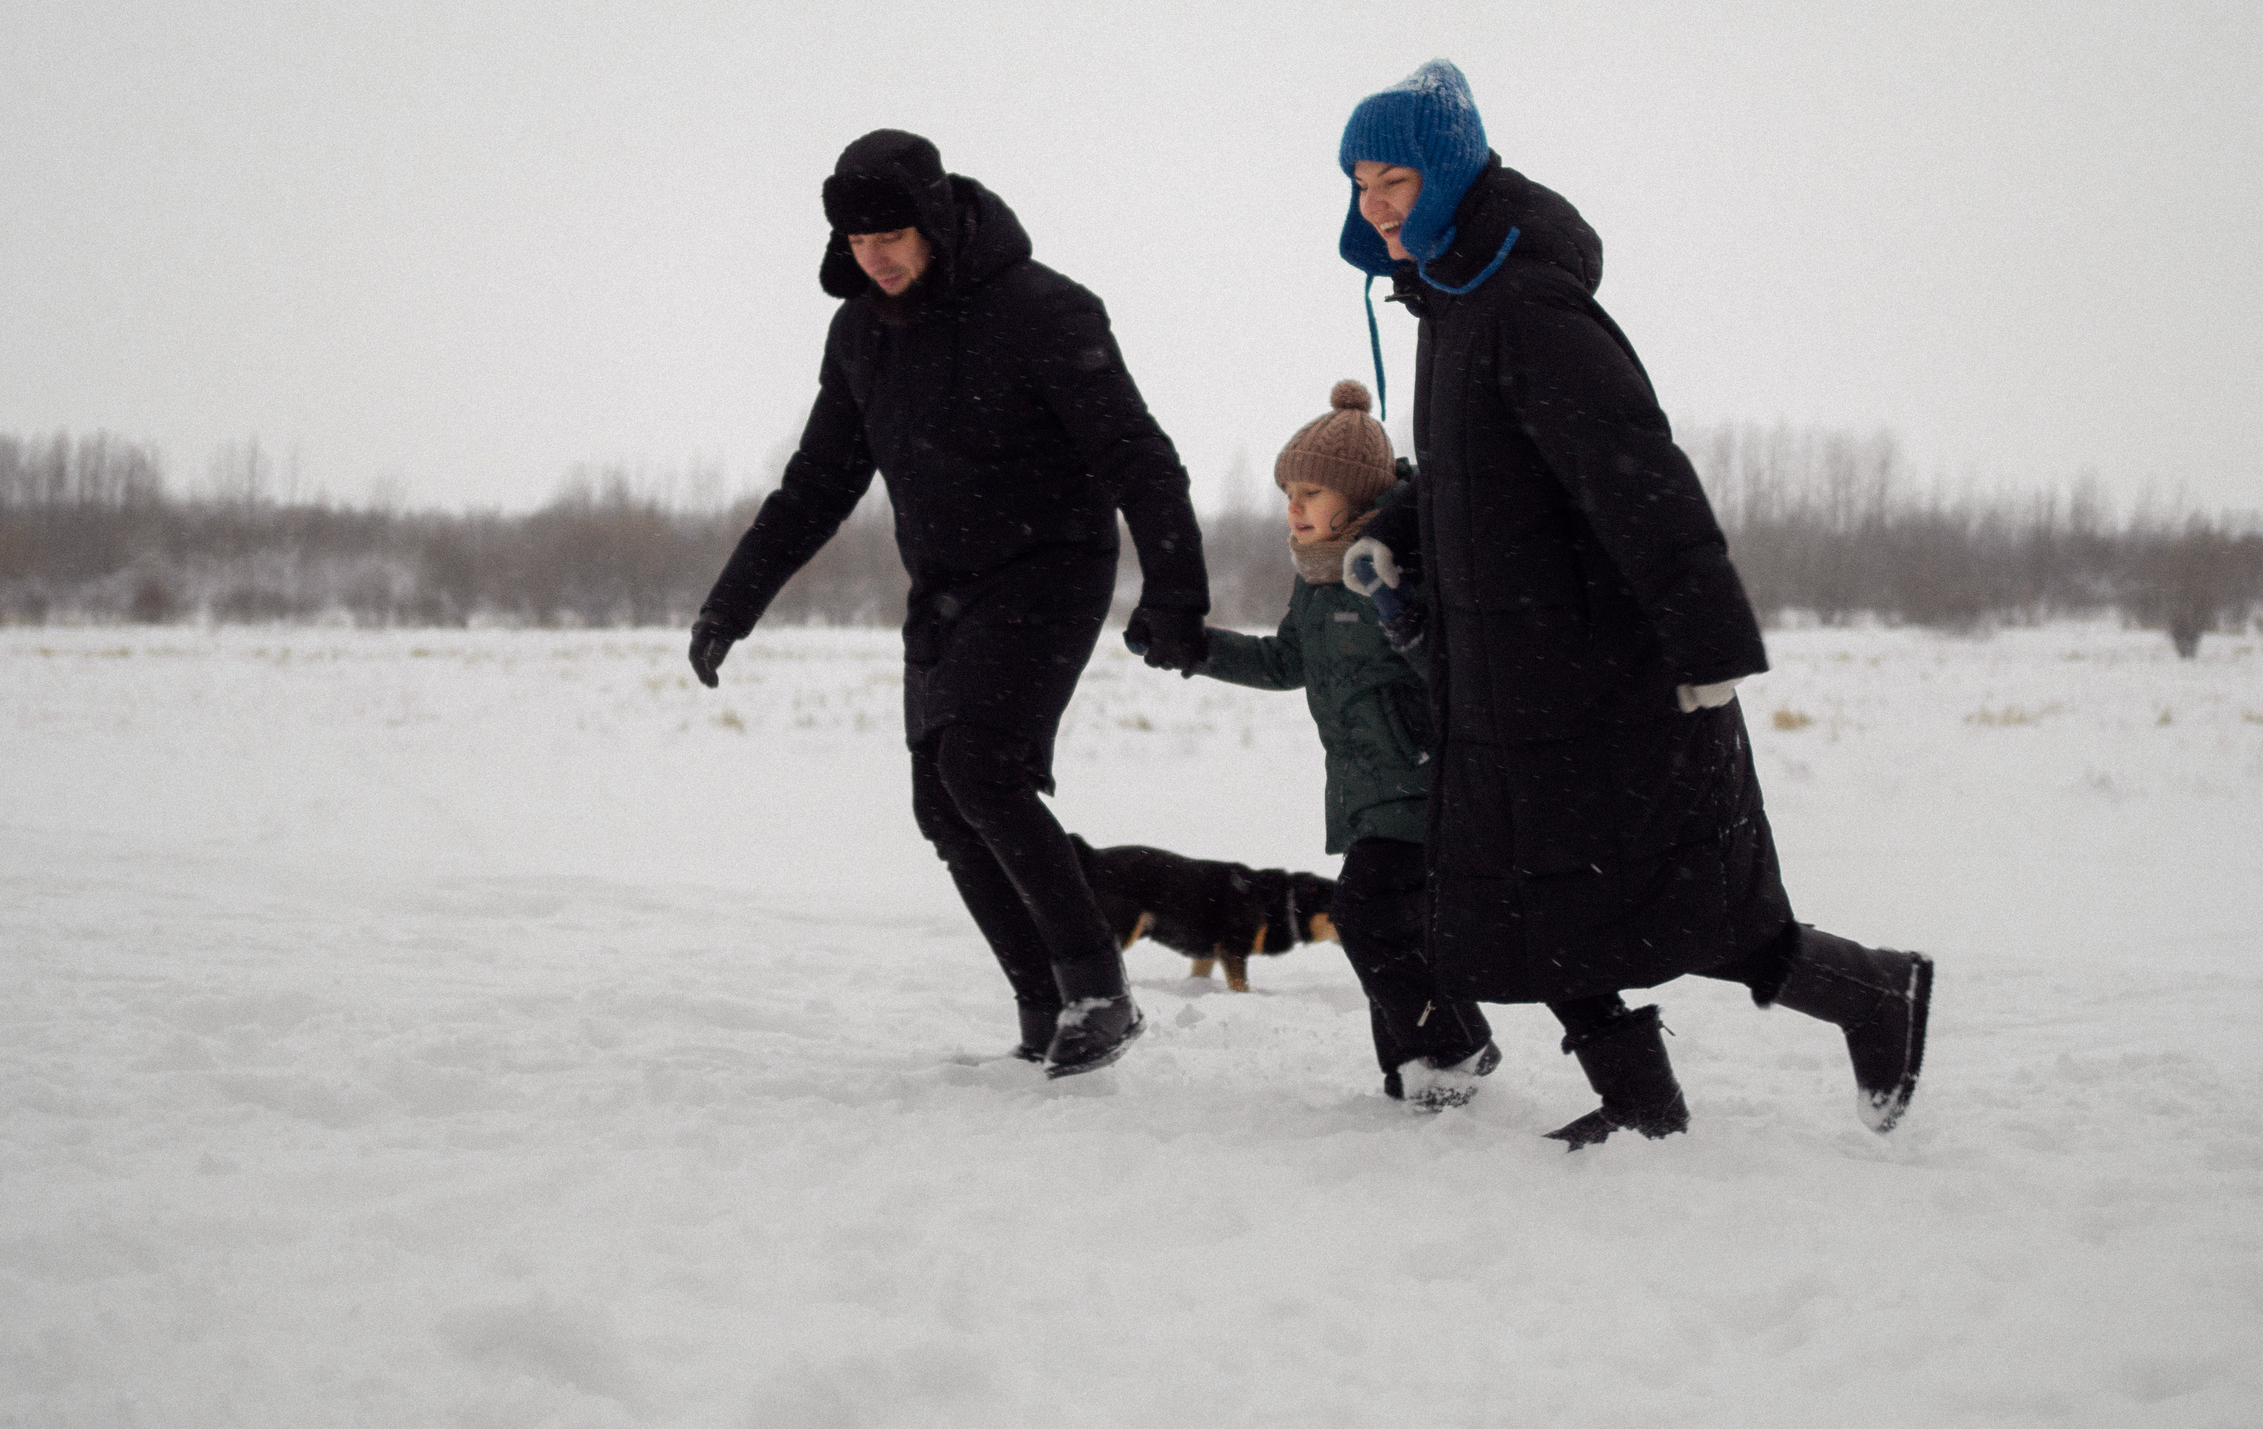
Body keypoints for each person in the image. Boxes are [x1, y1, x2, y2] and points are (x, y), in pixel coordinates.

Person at [1331, 61, 1933, 1150]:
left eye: (1396, 182)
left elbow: (1632, 470)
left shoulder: (1526, 303)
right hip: (1505, 673)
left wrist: (1706, 640)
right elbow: (1478, 470)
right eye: (1362, 185)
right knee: (1534, 900)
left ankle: (1870, 992)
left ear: (1450, 176)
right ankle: (1642, 1098)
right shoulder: (1450, 305)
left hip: (1594, 670)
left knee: (1669, 900)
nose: (1375, 206)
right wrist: (1395, 532)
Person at [688, 129, 1209, 1078]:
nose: (874, 258)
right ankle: (1046, 1006)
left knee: (981, 765)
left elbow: (1138, 454)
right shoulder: (860, 335)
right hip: (945, 588)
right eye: (856, 241)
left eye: (889, 235)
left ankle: (1100, 990)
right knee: (940, 801)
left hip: (1053, 570)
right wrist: (733, 603)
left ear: (932, 218)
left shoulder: (1045, 310)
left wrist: (1177, 590)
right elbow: (816, 486)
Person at [1175, 380, 1498, 1107]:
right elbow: (1284, 662)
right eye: (1289, 491)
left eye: (1311, 491)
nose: (1294, 506)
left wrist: (1403, 616)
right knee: (1395, 929)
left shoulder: (1401, 561)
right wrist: (1195, 649)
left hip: (1422, 784)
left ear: (1356, 497)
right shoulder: (1317, 581)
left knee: (1363, 915)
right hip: (1364, 793)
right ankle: (1416, 1074)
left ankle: (1455, 1045)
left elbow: (1456, 675)